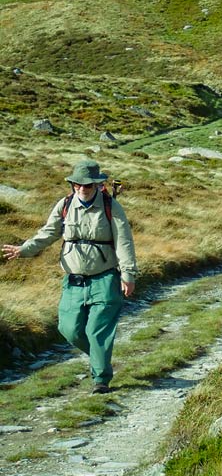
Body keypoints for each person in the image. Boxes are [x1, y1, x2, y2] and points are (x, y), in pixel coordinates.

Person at [1, 160, 137, 394]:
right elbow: (48, 233)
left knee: (97, 330)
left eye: (88, 185)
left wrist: (128, 274)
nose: (82, 189)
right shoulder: (64, 205)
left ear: (97, 185)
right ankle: (100, 358)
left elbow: (124, 242)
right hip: (73, 280)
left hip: (105, 279)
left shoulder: (111, 207)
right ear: (73, 184)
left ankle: (101, 379)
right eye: (78, 185)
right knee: (69, 329)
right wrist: (24, 249)